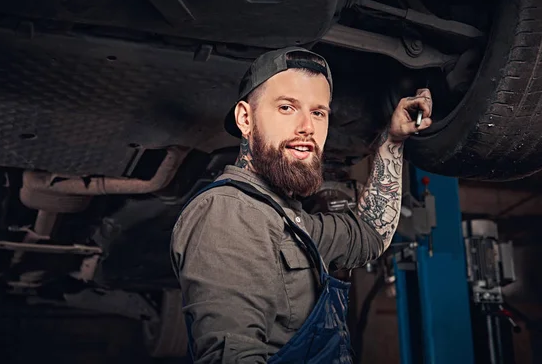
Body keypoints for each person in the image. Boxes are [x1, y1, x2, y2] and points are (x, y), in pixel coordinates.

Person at [170, 46, 433, 363]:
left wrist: (393, 141)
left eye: (318, 112)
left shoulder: (286, 221)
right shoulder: (230, 212)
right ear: (245, 118)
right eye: (286, 108)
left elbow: (369, 234)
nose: (307, 126)